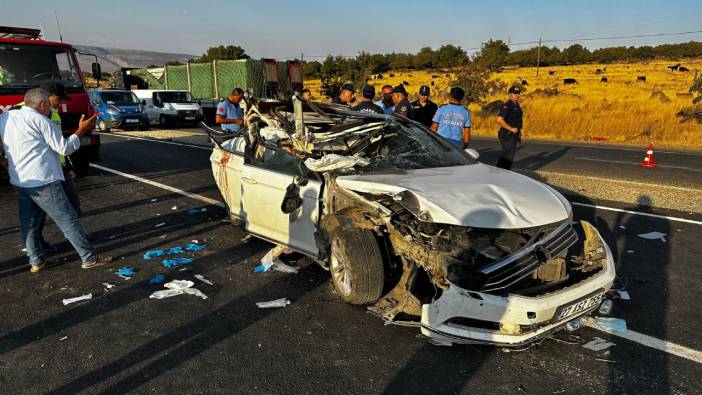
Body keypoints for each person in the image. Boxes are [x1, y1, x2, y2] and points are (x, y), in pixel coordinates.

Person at [0, 88, 112, 272]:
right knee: (68, 220)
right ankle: (88, 257)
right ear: (42, 104)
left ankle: (36, 261)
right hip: (43, 180)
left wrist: (4, 160)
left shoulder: (5, 117)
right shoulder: (41, 120)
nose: (53, 109)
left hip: (20, 180)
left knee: (29, 224)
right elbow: (64, 148)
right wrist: (81, 130)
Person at [495, 85, 523, 170]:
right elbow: (499, 120)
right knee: (508, 154)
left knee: (509, 154)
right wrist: (511, 129)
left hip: (513, 134)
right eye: (515, 93)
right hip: (507, 134)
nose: (517, 95)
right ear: (509, 94)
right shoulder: (507, 105)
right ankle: (501, 172)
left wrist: (518, 132)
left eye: (518, 93)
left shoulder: (516, 104)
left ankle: (502, 171)